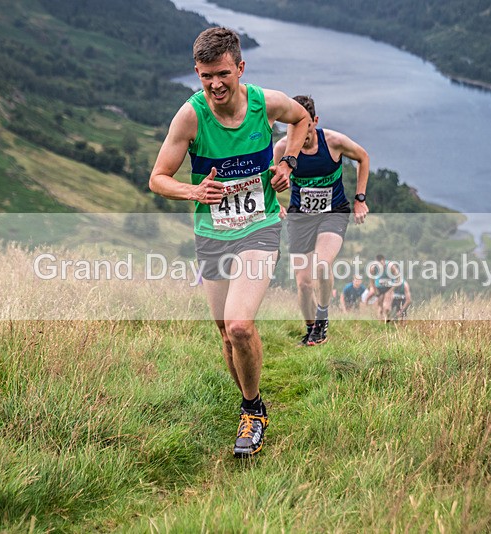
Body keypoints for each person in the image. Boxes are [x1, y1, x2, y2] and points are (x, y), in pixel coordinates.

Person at [149, 27, 310, 458]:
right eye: (205, 76)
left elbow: (302, 119)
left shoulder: (265, 103)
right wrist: (194, 192)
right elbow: (158, 178)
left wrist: (288, 163)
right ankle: (251, 401)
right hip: (212, 235)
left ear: (240, 67)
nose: (215, 84)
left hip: (259, 227)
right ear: (196, 74)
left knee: (240, 324)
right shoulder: (190, 116)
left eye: (222, 73)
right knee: (225, 334)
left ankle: (253, 411)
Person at [274, 95, 369, 346]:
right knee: (304, 284)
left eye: (303, 126)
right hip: (300, 217)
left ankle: (323, 317)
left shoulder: (334, 142)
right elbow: (274, 180)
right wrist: (275, 203)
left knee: (323, 265)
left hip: (333, 212)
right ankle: (311, 330)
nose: (298, 133)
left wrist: (360, 198)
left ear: (314, 121)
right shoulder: (281, 149)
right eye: (292, 126)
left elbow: (363, 157)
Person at [364, 254, 402, 322]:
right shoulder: (373, 268)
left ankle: (387, 318)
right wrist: (375, 290)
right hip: (379, 287)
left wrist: (391, 290)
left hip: (389, 287)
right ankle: (379, 321)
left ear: (383, 261)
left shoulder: (391, 266)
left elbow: (398, 279)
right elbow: (371, 281)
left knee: (386, 307)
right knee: (380, 306)